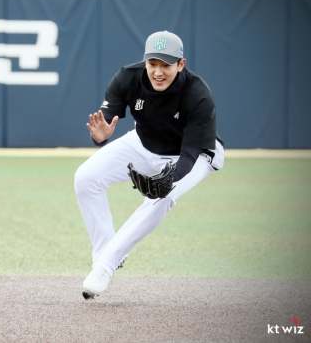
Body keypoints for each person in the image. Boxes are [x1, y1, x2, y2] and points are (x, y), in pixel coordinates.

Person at [74, 30, 224, 300]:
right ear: (145, 62)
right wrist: (100, 137)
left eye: (165, 65)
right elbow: (106, 118)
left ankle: (104, 266)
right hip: (143, 143)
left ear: (181, 64)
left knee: (160, 197)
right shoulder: (128, 78)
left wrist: (165, 181)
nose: (157, 72)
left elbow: (189, 155)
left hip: (193, 155)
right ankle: (107, 251)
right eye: (152, 63)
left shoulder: (198, 95)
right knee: (86, 177)